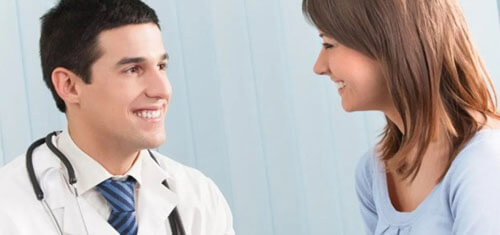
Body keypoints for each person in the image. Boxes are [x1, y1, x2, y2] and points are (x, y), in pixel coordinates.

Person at [0, 0, 235, 234]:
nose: (161, 89)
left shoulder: (199, 198)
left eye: (161, 66)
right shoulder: (8, 208)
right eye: (133, 70)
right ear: (69, 86)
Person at [303, 0, 500, 234]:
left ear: (388, 41)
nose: (319, 67)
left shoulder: (484, 161)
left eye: (329, 44)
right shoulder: (373, 172)